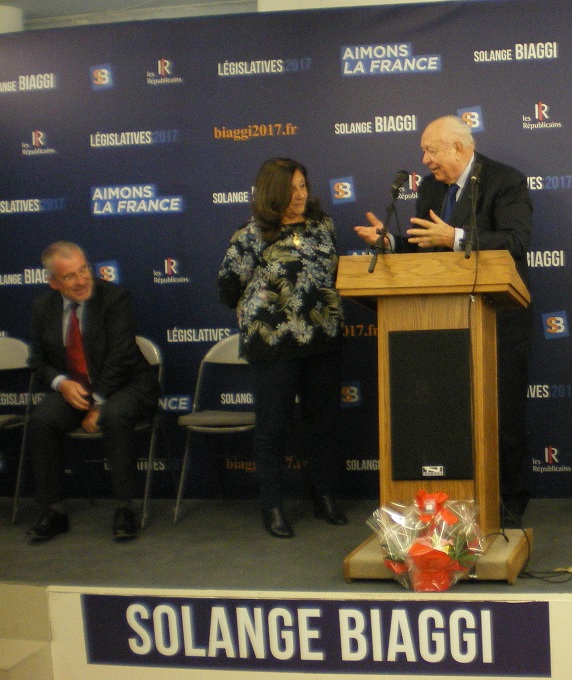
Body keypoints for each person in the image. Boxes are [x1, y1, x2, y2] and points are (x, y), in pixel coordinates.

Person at [355, 115, 532, 528]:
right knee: (449, 415)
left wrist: (454, 238)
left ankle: (509, 506)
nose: (425, 159)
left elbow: (515, 241)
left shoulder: (505, 181)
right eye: (424, 151)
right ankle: (455, 505)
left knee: (501, 417)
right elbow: (425, 252)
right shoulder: (432, 189)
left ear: (458, 147)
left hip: (499, 321)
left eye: (431, 150)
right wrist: (392, 243)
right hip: (445, 326)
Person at [218, 158, 347, 538]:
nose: (300, 195)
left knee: (321, 424)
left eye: (304, 186)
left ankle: (323, 496)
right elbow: (228, 287)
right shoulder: (251, 234)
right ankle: (272, 506)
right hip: (273, 345)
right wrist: (256, 309)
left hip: (322, 341)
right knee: (273, 427)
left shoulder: (322, 226)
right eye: (292, 190)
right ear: (273, 193)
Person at [26, 241, 159, 541]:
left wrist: (97, 403)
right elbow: (37, 360)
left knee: (113, 415)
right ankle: (54, 511)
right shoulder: (42, 308)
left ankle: (125, 510)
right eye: (71, 276)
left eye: (84, 269)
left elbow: (122, 356)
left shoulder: (114, 298)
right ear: (53, 282)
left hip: (128, 383)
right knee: (43, 419)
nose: (83, 279)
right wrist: (62, 383)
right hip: (77, 388)